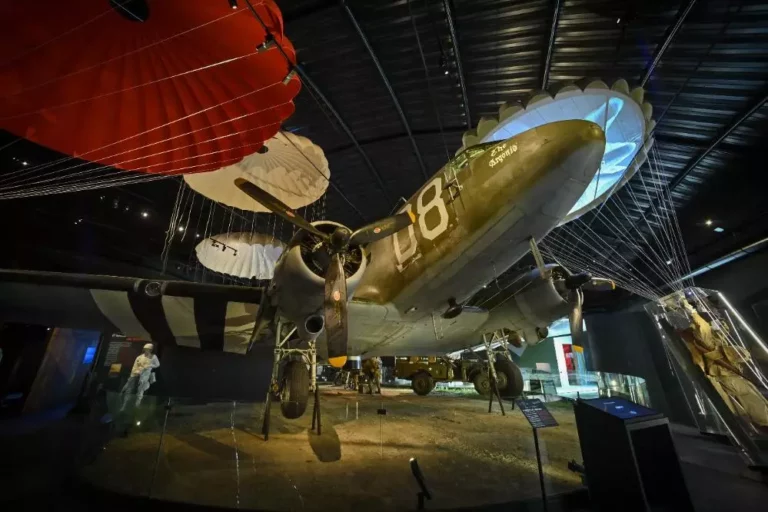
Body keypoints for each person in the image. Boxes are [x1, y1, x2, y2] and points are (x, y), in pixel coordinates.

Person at [120, 343, 160, 411]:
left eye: (148, 349)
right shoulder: (139, 357)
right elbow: (134, 367)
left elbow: (157, 364)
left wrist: (149, 366)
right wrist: (133, 375)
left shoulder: (153, 357)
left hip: (145, 376)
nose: (146, 351)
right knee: (129, 390)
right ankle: (124, 405)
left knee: (140, 391)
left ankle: (137, 405)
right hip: (136, 375)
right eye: (145, 349)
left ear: (151, 350)